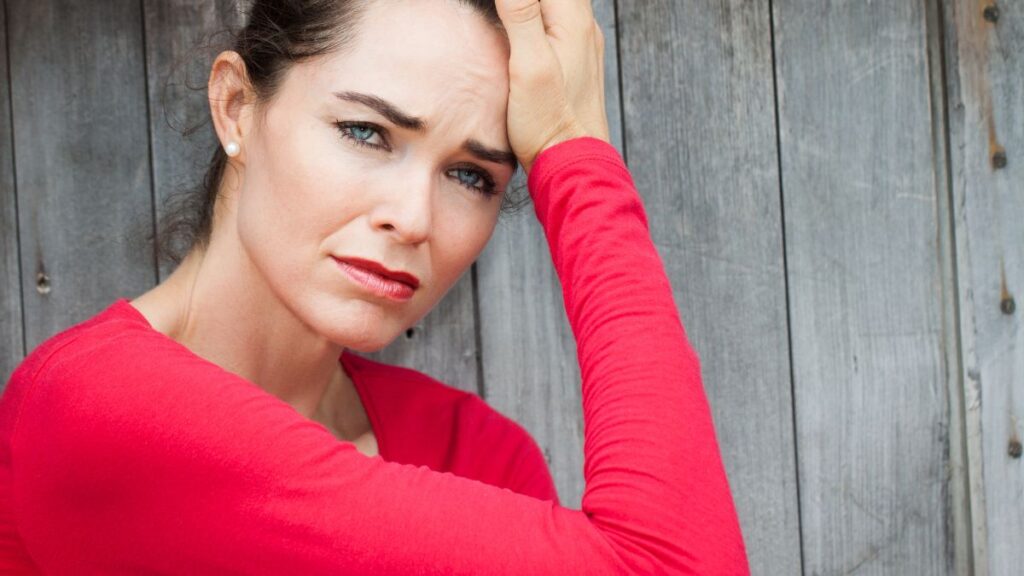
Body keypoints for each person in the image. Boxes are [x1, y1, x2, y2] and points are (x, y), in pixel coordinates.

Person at [0, 0, 749, 573]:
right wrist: (580, 158)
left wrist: (560, 149)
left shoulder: (474, 452)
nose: (413, 218)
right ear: (236, 107)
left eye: (470, 175)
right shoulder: (97, 409)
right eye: (365, 132)